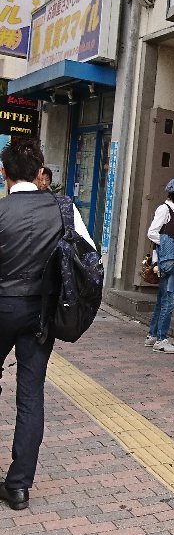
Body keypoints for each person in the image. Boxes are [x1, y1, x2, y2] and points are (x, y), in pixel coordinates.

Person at [0, 138, 94, 511]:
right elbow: (88, 255)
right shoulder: (63, 210)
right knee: (30, 394)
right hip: (41, 314)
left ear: (4, 174)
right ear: (40, 173)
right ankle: (19, 486)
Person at [145, 176, 174, 354]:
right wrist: (172, 246)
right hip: (169, 262)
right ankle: (161, 339)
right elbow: (152, 233)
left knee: (162, 300)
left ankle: (152, 335)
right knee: (169, 301)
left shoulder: (173, 211)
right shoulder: (164, 210)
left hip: (167, 260)